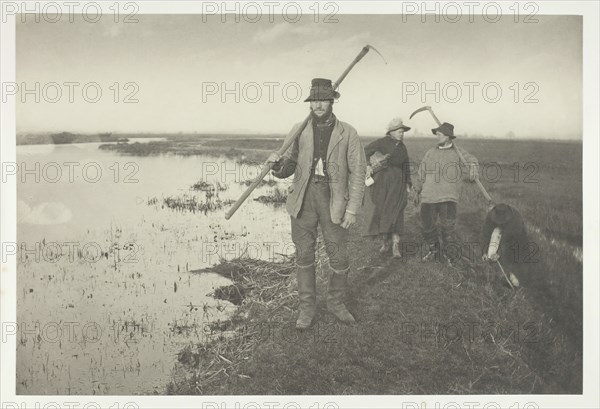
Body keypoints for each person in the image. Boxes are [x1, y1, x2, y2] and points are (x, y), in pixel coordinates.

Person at [266, 78, 367, 329]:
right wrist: (276, 165)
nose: (319, 105)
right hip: (303, 198)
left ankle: (336, 303)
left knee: (339, 256)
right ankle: (306, 309)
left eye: (323, 100)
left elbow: (358, 172)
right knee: (304, 254)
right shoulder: (299, 130)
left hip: (334, 200)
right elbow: (288, 165)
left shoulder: (348, 133)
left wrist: (352, 209)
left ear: (332, 101)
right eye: (314, 101)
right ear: (309, 103)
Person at [412, 122, 479, 264]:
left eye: (440, 134)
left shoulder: (458, 152)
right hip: (429, 197)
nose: (437, 136)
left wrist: (473, 167)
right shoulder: (430, 152)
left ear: (448, 136)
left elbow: (472, 160)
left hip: (448, 197)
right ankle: (434, 251)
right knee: (428, 227)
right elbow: (421, 173)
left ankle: (450, 256)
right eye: (436, 134)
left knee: (447, 229)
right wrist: (417, 190)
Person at [362, 117, 412, 258]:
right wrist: (368, 165)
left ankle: (396, 245)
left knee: (397, 211)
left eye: (403, 132)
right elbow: (365, 151)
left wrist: (408, 182)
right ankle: (386, 242)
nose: (402, 134)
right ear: (391, 132)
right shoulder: (382, 142)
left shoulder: (402, 147)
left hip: (398, 183)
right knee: (383, 211)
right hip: (382, 182)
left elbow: (406, 165)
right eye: (399, 132)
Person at [481, 203, 530, 287]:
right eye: (497, 220)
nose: (499, 223)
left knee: (515, 255)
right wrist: (484, 251)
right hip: (502, 233)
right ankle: (498, 271)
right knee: (495, 239)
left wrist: (499, 253)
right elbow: (486, 233)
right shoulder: (491, 215)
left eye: (501, 221)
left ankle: (516, 277)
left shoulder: (516, 220)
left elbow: (508, 240)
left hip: (517, 238)